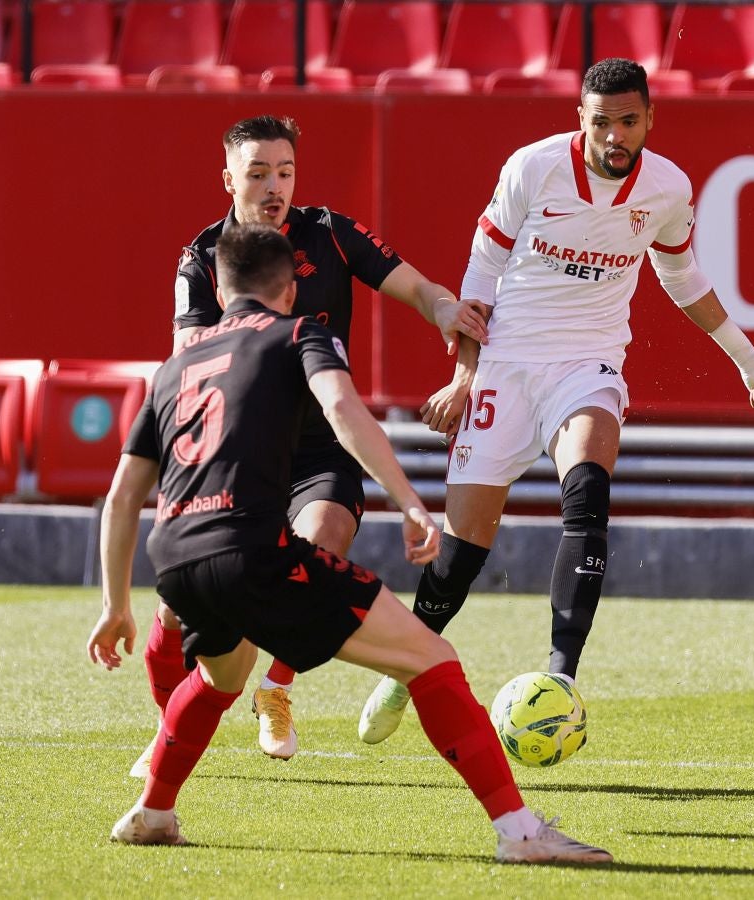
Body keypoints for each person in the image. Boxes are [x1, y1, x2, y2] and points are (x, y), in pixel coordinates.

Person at [86, 224, 611, 864]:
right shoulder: (300, 332)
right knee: (432, 659)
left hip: (176, 556)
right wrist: (411, 502)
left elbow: (120, 497)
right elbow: (342, 410)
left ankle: (153, 811)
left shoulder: (175, 367)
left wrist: (116, 604)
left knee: (221, 676)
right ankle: (522, 835)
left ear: (220, 291)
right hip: (253, 549)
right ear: (289, 289)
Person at [358, 58, 754, 743]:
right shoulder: (532, 168)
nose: (615, 136)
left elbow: (682, 278)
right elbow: (480, 277)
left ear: (650, 118)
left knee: (588, 490)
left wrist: (750, 362)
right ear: (578, 121)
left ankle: (561, 678)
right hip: (505, 365)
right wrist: (464, 379)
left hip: (587, 366)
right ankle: (406, 667)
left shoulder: (669, 188)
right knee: (464, 550)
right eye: (601, 123)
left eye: (628, 121)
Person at [135, 114, 489, 768]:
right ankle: (170, 739)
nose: (275, 187)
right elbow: (187, 354)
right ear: (228, 180)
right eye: (259, 173)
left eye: (286, 171)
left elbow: (414, 286)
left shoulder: (330, 233)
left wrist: (445, 309)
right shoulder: (202, 258)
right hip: (236, 457)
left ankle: (276, 687)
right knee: (183, 614)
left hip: (321, 449)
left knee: (324, 534)